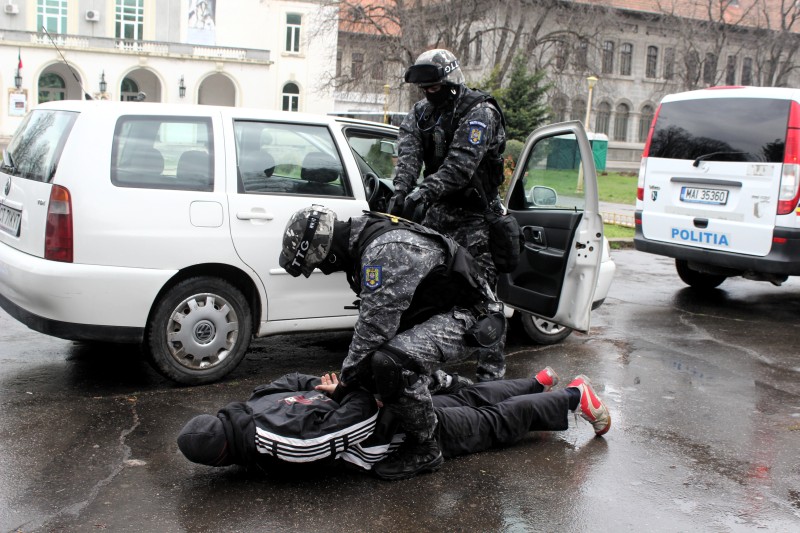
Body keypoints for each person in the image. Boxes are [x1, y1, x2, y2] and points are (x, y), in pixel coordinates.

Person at [277, 205, 505, 480]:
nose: (324, 271)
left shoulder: (382, 252)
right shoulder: (362, 238)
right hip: (444, 309)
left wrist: (344, 387)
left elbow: (373, 331)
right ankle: (449, 385)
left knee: (391, 363)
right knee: (373, 369)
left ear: (328, 253)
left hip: (472, 317)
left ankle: (425, 446)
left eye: (320, 265)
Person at [176, 367, 612, 481]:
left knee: (486, 423)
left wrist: (344, 392)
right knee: (466, 400)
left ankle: (575, 397)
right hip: (387, 405)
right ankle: (538, 384)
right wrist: (331, 389)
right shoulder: (249, 406)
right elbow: (291, 381)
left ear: (222, 458)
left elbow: (356, 421)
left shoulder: (275, 443)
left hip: (392, 427)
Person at [388, 48, 508, 383]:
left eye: (434, 87)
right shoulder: (421, 114)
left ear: (451, 82)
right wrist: (401, 192)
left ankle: (490, 374)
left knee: (483, 296)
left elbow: (460, 166)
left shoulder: (480, 112)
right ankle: (427, 366)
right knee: (426, 290)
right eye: (424, 88)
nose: (429, 93)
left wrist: (422, 193)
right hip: (438, 216)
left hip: (477, 218)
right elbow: (409, 155)